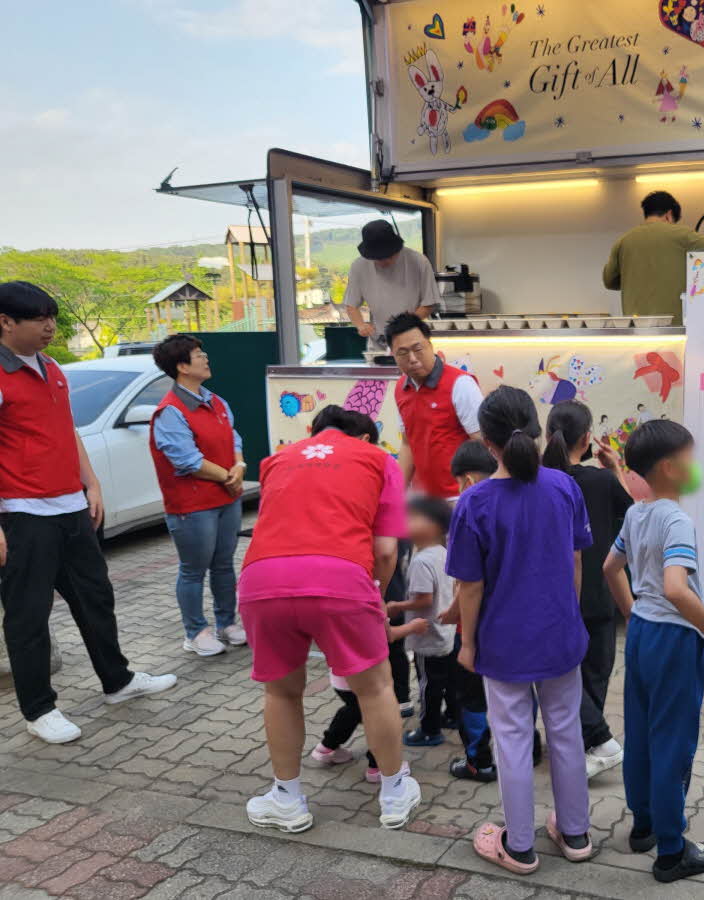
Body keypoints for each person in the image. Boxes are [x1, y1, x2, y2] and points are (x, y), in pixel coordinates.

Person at [0, 281, 177, 744]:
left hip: (71, 507)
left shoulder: (50, 367)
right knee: (29, 615)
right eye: (39, 319)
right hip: (22, 513)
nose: (49, 327)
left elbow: (67, 429)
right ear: (6, 322)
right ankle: (39, 710)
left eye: (52, 317)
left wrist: (92, 483)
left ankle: (118, 681)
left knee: (95, 597)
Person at [237, 405, 420, 832]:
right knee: (376, 689)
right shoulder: (379, 460)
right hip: (341, 579)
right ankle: (394, 794)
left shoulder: (276, 460)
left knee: (282, 692)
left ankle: (287, 798)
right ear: (366, 437)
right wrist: (375, 596)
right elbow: (386, 550)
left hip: (262, 580)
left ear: (312, 431)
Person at [447, 386, 595, 874]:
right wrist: (569, 617)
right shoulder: (564, 487)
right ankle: (575, 833)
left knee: (511, 739)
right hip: (560, 634)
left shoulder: (474, 502)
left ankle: (520, 846)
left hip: (503, 642)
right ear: (536, 430)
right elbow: (576, 562)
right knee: (566, 731)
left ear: (485, 443)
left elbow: (470, 586)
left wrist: (468, 643)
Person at [603, 419, 704, 884]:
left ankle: (643, 824)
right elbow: (676, 589)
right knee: (672, 742)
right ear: (669, 467)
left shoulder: (637, 513)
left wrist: (632, 612)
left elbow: (610, 567)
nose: (696, 467)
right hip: (674, 641)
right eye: (691, 459)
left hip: (643, 635)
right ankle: (671, 851)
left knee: (642, 734)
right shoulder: (677, 520)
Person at [543, 400, 633, 779]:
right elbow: (633, 516)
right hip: (598, 591)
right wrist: (615, 469)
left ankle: (581, 744)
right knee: (594, 673)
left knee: (562, 675)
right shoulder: (601, 481)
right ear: (587, 439)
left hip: (552, 594)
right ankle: (599, 741)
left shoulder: (538, 480)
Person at [149, 334, 247, 657]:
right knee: (193, 569)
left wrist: (239, 466)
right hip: (192, 505)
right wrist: (228, 477)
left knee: (223, 565)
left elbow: (233, 437)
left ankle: (226, 623)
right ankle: (195, 631)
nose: (205, 358)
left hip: (226, 498)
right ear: (181, 366)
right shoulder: (170, 411)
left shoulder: (216, 401)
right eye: (198, 354)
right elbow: (187, 460)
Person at [310, 614, 430, 782]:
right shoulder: (366, 602)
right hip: (368, 678)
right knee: (379, 717)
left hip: (340, 677)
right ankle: (379, 767)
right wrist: (412, 627)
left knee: (354, 710)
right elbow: (386, 634)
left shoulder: (328, 604)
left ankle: (327, 747)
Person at [445, 440, 500, 781]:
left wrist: (456, 616)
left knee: (471, 697)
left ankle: (479, 761)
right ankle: (528, 751)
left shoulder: (467, 509)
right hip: (510, 623)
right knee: (515, 692)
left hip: (474, 626)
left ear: (466, 480)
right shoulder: (515, 503)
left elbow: (467, 582)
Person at [387, 313, 484, 499]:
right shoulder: (400, 388)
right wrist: (396, 495)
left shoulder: (460, 384)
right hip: (423, 500)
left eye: (418, 349)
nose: (412, 358)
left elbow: (483, 442)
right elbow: (408, 444)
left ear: (430, 346)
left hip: (460, 496)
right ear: (393, 355)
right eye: (403, 353)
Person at [389, 496, 459, 748]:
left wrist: (397, 606)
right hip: (446, 632)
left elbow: (424, 600)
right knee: (449, 680)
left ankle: (430, 730)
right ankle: (453, 716)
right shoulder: (444, 553)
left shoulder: (421, 561)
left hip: (427, 637)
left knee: (428, 685)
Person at [602, 191, 704, 325]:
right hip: (674, 327)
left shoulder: (623, 241)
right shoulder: (682, 235)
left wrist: (632, 278)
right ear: (669, 215)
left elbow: (609, 281)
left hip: (635, 327)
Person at [343, 220, 439, 348]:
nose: (384, 261)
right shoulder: (359, 266)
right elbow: (351, 305)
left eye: (389, 256)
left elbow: (429, 303)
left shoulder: (419, 261)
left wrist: (403, 326)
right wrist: (361, 325)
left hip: (412, 337)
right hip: (379, 340)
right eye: (378, 258)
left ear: (397, 248)